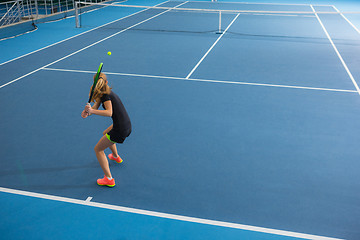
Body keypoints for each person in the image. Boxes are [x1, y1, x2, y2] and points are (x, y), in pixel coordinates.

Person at [81, 73, 131, 187]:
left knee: (98, 149)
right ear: (106, 83)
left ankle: (109, 179)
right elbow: (95, 107)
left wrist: (92, 111)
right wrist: (87, 112)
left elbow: (109, 113)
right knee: (105, 133)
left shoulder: (106, 96)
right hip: (126, 125)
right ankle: (115, 156)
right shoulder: (104, 92)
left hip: (120, 129)